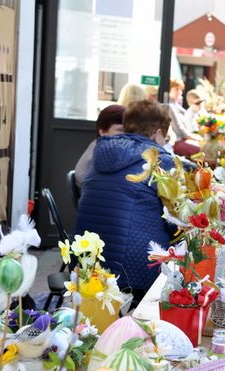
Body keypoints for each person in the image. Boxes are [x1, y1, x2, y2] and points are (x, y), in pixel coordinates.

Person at [74, 100, 175, 308]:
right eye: (165, 138)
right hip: (132, 271)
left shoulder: (101, 151)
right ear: (157, 134)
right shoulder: (160, 160)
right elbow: (176, 220)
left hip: (86, 262)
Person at [74, 104, 125, 188]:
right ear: (102, 132)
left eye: (128, 130)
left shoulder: (97, 145)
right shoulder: (105, 152)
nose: (126, 135)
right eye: (120, 130)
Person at [168, 79, 202, 158]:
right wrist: (195, 138)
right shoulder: (169, 106)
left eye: (180, 89)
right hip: (176, 142)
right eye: (176, 89)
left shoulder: (176, 105)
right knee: (202, 150)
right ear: (169, 90)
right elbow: (179, 130)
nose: (180, 92)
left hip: (182, 139)